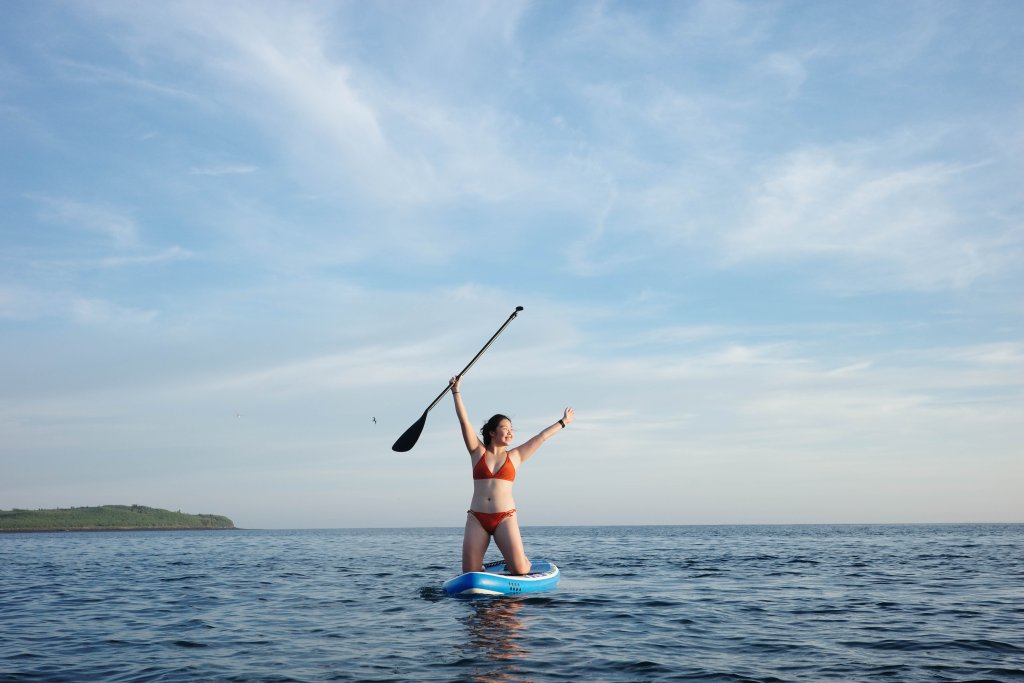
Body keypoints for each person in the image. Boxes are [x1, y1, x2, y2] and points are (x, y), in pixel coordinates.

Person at [451, 374, 574, 575]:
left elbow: (541, 437)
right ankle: (481, 566)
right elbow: (464, 422)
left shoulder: (515, 456)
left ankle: (520, 560)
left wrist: (563, 422)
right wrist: (456, 392)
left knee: (519, 569)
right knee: (470, 574)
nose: (510, 433)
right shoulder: (477, 452)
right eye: (505, 428)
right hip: (477, 518)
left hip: (504, 518)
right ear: (492, 432)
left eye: (511, 429)